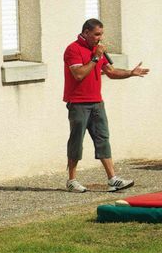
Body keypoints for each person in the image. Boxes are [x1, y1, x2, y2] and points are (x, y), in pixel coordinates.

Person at [64, 19, 149, 193]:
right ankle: (71, 180)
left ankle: (113, 179)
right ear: (86, 32)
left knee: (103, 138)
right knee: (76, 141)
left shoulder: (97, 51)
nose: (100, 38)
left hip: (97, 102)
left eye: (101, 34)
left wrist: (130, 73)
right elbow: (79, 74)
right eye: (97, 34)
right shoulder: (73, 49)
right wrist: (95, 57)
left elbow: (110, 72)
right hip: (78, 103)